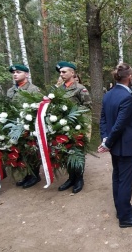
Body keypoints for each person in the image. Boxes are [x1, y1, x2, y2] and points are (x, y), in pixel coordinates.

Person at [98, 63, 132, 228]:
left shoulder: (108, 94)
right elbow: (119, 125)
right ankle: (125, 217)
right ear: (130, 77)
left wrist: (105, 139)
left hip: (114, 146)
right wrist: (108, 143)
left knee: (117, 178)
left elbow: (103, 120)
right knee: (124, 181)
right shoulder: (126, 97)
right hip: (124, 147)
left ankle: (122, 208)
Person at [55, 61, 91, 193]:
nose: (61, 74)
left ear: (72, 73)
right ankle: (71, 178)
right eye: (60, 72)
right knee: (66, 152)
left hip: (76, 126)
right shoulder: (59, 90)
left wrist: (71, 112)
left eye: (64, 72)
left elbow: (87, 107)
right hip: (61, 126)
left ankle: (79, 178)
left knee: (77, 152)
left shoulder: (80, 88)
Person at [6, 64, 43, 188]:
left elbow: (38, 109)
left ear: (26, 74)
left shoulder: (33, 89)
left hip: (29, 126)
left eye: (18, 72)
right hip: (14, 125)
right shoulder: (11, 90)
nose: (15, 74)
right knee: (20, 151)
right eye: (13, 72)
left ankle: (35, 175)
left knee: (31, 150)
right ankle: (26, 174)